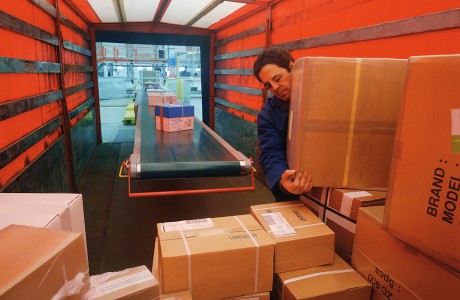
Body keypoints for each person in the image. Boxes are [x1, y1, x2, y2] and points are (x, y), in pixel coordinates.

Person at [253, 47, 313, 201]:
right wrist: (283, 182)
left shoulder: (320, 94)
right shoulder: (268, 114)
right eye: (268, 85)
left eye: (278, 78)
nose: (275, 88)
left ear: (292, 67)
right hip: (292, 192)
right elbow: (270, 152)